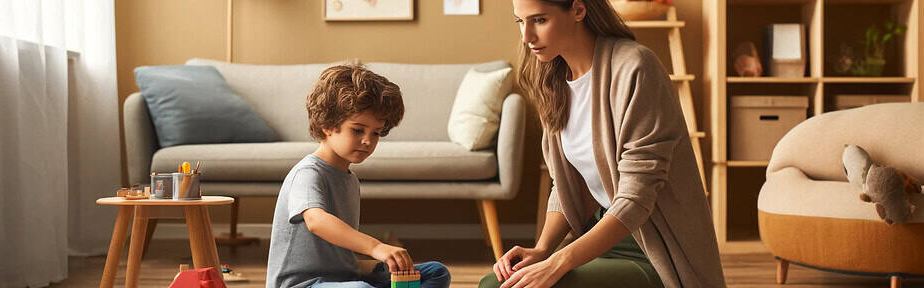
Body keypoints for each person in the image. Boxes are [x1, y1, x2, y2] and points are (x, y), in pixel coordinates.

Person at [479, 0, 726, 287]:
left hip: (653, 248)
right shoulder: (554, 79)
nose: (527, 36)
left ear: (578, 10)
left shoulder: (635, 68)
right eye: (520, 21)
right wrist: (543, 249)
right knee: (494, 284)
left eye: (540, 20)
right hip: (598, 235)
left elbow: (636, 199)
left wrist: (558, 262)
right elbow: (570, 183)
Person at [267, 63, 450, 288]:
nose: (367, 141)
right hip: (304, 284)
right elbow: (316, 221)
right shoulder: (307, 173)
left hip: (344, 279)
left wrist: (383, 263)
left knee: (435, 272)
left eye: (376, 133)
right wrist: (376, 247)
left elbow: (337, 259)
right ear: (327, 124)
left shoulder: (349, 179)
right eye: (357, 130)